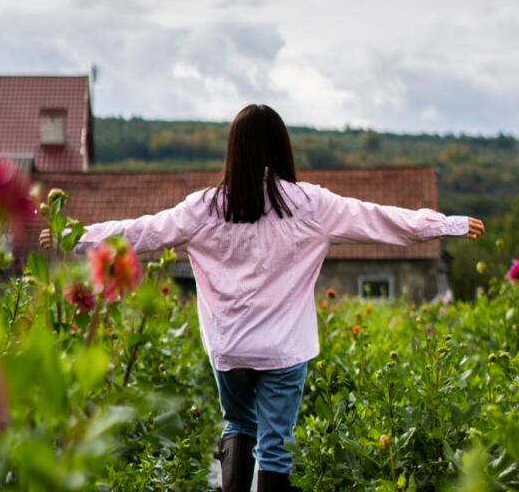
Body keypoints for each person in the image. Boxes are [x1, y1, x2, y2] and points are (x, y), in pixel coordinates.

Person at [40, 104, 484, 492]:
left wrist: (73, 235)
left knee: (238, 424)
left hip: (230, 348)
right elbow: (380, 219)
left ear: (233, 151)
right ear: (282, 147)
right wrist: (447, 224)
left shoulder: (206, 206)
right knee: (275, 442)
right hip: (284, 350)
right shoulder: (310, 204)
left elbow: (143, 231)